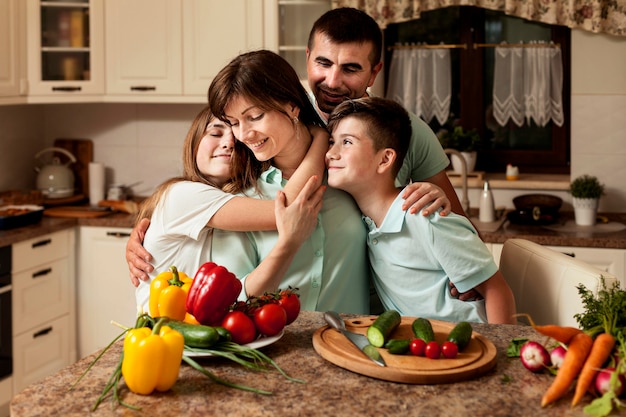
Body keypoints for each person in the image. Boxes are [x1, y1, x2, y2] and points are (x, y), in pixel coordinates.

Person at [124, 8, 457, 288]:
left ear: (374, 72)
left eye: (351, 68)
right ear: (307, 58)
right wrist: (153, 227)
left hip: (378, 296)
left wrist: (438, 210)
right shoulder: (278, 119)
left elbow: (454, 220)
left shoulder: (406, 131)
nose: (332, 80)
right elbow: (215, 175)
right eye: (323, 63)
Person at [325, 96, 516, 324]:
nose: (330, 153)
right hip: (428, 353)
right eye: (331, 142)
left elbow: (498, 292)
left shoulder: (425, 216)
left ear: (385, 159)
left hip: (476, 346)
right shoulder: (366, 224)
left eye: (346, 142)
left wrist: (501, 355)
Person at [134, 105, 325, 313]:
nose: (229, 143)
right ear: (194, 142)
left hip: (194, 333)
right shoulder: (182, 195)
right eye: (215, 133)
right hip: (160, 335)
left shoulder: (232, 199)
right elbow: (287, 210)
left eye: (238, 141)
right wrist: (321, 138)